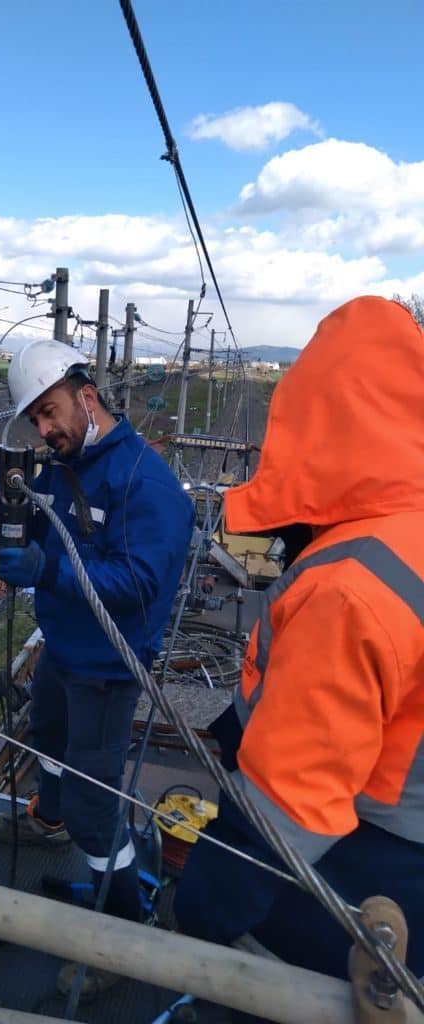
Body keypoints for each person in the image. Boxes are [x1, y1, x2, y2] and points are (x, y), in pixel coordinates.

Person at [174, 297, 424, 1003]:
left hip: (365, 859)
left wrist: (203, 908)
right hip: (404, 836)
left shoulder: (350, 584)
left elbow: (288, 814)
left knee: (257, 982)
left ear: (320, 426)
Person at [0, 338, 194, 998]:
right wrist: (18, 516)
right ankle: (47, 822)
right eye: (35, 421)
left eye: (50, 412)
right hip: (64, 644)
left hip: (108, 664)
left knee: (95, 806)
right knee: (47, 735)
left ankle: (124, 932)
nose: (44, 431)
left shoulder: (145, 483)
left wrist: (47, 570)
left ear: (86, 396)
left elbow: (138, 582)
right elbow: (55, 533)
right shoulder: (65, 465)